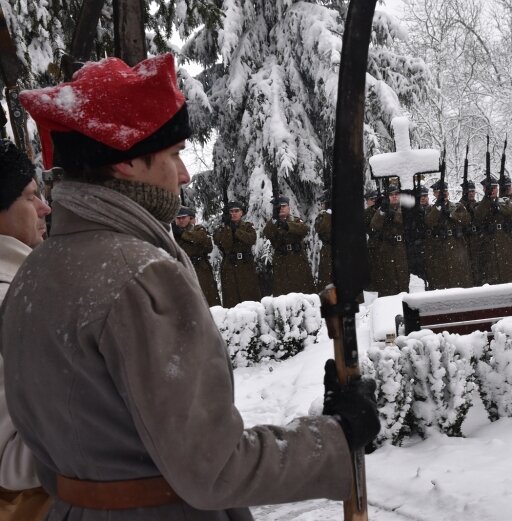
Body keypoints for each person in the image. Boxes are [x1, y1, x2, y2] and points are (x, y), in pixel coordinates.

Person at [1, 53, 379, 520]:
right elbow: (214, 468)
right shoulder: (140, 276)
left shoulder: (33, 275)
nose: (184, 174)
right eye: (174, 154)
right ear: (127, 162)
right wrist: (337, 435)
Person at [0, 140, 52, 521]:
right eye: (30, 196)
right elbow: (10, 463)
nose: (44, 208)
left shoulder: (21, 286)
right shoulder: (11, 300)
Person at [474, 176, 512, 284]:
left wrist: (498, 206)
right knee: (493, 272)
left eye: (495, 187)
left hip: (506, 240)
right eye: (490, 188)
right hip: (490, 242)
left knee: (509, 271)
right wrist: (487, 200)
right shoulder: (481, 204)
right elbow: (478, 215)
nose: (493, 190)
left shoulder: (504, 201)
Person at [263, 196, 316, 296]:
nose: (281, 208)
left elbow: (304, 229)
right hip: (281, 261)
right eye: (278, 206)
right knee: (283, 293)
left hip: (297, 260)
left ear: (289, 208)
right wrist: (275, 221)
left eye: (284, 206)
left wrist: (287, 226)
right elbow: (267, 233)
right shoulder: (272, 223)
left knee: (303, 291)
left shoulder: (296, 220)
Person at [214, 201, 263, 306]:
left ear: (242, 213)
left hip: (246, 265)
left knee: (250, 298)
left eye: (236, 211)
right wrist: (228, 228)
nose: (233, 214)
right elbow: (224, 244)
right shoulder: (222, 229)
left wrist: (236, 230)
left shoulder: (248, 227)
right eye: (231, 211)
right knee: (232, 299)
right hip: (230, 266)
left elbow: (251, 239)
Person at [424, 180, 472, 289]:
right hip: (439, 246)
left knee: (458, 275)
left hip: (456, 244)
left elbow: (466, 219)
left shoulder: (457, 206)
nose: (443, 193)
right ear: (435, 194)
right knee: (441, 276)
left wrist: (451, 214)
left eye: (445, 191)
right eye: (439, 192)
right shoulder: (430, 209)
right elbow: (429, 222)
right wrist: (438, 207)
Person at [173, 206, 221, 306]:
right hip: (183, 269)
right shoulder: (172, 234)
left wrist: (182, 234)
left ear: (190, 218)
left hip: (200, 269)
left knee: (208, 299)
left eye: (183, 217)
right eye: (178, 218)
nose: (181, 220)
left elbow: (201, 239)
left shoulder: (199, 230)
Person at [370, 184, 410, 296]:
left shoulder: (404, 208)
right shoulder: (382, 208)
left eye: (396, 194)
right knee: (388, 278)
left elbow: (406, 221)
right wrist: (382, 211)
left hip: (401, 246)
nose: (394, 196)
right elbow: (374, 225)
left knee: (402, 277)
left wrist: (394, 214)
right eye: (391, 195)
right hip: (386, 248)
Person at [314, 193, 332, 290]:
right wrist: (328, 214)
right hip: (328, 250)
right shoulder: (322, 216)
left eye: (323, 203)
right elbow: (320, 228)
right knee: (327, 278)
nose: (321, 206)